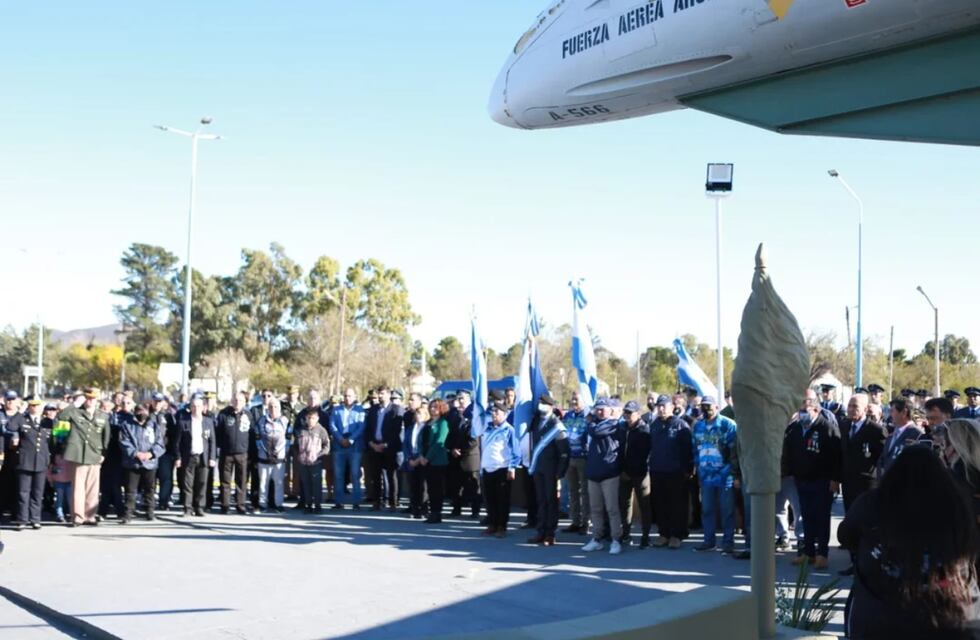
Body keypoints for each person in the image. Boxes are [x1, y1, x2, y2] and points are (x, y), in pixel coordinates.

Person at [838, 446, 980, 639]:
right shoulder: (958, 506)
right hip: (953, 617)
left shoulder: (872, 503)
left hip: (881, 618)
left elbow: (846, 536)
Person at [785, 389, 842, 570]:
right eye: (801, 406)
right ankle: (808, 552)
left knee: (821, 518)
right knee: (806, 517)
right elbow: (789, 453)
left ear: (816, 408)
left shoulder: (827, 427)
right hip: (801, 481)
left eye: (807, 405)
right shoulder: (794, 428)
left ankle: (822, 554)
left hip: (822, 481)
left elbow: (838, 456)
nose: (804, 410)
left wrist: (835, 479)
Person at [839, 392, 888, 575]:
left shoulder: (875, 430)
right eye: (850, 406)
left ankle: (867, 562)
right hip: (848, 483)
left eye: (855, 406)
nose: (851, 410)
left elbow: (882, 459)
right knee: (851, 521)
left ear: (866, 409)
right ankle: (854, 560)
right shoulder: (844, 426)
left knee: (866, 524)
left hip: (867, 484)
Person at [691, 395, 738, 553]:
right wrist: (697, 469)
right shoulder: (697, 426)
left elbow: (734, 452)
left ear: (717, 407)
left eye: (709, 406)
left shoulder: (728, 425)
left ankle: (728, 543)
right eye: (703, 406)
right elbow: (695, 450)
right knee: (707, 510)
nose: (706, 409)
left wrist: (732, 472)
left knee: (727, 511)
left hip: (725, 476)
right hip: (705, 476)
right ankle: (709, 541)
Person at [59, 388, 111, 526]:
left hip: (94, 454)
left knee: (93, 487)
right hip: (78, 454)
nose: (90, 401)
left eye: (93, 398)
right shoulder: (75, 412)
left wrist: (103, 454)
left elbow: (106, 437)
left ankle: (90, 515)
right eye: (88, 398)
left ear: (97, 400)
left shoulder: (102, 416)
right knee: (78, 487)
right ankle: (77, 516)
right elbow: (61, 417)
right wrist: (74, 404)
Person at [582, 397, 627, 555]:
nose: (600, 411)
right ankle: (596, 539)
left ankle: (616, 540)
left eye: (603, 408)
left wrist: (590, 422)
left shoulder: (615, 424)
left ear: (610, 410)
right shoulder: (593, 424)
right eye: (597, 409)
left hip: (609, 474)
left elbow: (596, 432)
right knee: (595, 509)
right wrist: (590, 422)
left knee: (612, 509)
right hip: (593, 473)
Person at [648, 394, 693, 549]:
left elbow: (688, 450)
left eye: (664, 406)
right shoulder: (654, 425)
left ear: (672, 407)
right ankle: (664, 533)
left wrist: (688, 469)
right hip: (657, 470)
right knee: (660, 504)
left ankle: (677, 534)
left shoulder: (681, 425)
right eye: (659, 406)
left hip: (676, 472)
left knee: (678, 504)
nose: (661, 409)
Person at [527, 394, 569, 546]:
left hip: (551, 469)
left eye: (543, 404)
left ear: (551, 406)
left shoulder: (556, 425)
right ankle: (541, 531)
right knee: (541, 500)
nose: (540, 406)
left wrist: (560, 473)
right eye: (539, 403)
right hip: (538, 467)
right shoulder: (537, 421)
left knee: (551, 501)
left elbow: (564, 452)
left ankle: (550, 533)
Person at [118, 404, 166, 523]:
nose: (141, 414)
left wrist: (151, 454)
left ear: (148, 412)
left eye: (144, 411)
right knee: (130, 490)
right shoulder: (127, 425)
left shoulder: (154, 426)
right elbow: (124, 442)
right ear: (134, 412)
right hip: (132, 463)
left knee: (150, 489)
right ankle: (128, 514)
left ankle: (150, 512)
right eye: (138, 411)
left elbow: (160, 443)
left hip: (150, 463)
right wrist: (136, 453)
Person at [480, 401, 521, 538]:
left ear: (504, 414)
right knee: (489, 499)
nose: (494, 415)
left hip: (502, 468)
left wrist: (512, 468)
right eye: (492, 412)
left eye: (497, 412)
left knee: (502, 500)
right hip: (487, 468)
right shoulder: (487, 429)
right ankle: (492, 524)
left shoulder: (509, 430)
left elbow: (516, 451)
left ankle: (501, 526)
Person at [10, 398, 52, 529]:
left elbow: (52, 441)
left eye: (38, 405)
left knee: (38, 493)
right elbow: (10, 426)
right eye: (32, 405)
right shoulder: (22, 419)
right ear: (29, 407)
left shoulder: (48, 422)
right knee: (23, 492)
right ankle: (22, 519)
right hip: (25, 461)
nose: (35, 408)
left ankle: (35, 519)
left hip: (41, 461)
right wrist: (20, 411)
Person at [176, 393, 217, 517]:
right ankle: (187, 508)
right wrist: (178, 457)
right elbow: (177, 442)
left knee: (202, 483)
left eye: (198, 406)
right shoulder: (183, 422)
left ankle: (199, 507)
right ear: (190, 407)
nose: (196, 408)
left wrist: (212, 457)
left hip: (203, 457)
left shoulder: (208, 422)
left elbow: (212, 441)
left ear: (203, 407)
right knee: (188, 484)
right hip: (188, 456)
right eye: (193, 406)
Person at [619, 400, 652, 548]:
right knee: (624, 504)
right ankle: (626, 533)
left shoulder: (645, 430)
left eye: (630, 413)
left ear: (638, 414)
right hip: (624, 473)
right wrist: (622, 470)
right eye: (625, 412)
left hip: (640, 473)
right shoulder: (622, 428)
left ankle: (646, 536)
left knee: (644, 505)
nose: (627, 415)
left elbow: (646, 454)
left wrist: (636, 470)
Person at [329, 388, 366, 510]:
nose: (347, 398)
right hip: (339, 446)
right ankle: (339, 502)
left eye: (350, 396)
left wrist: (350, 440)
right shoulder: (336, 410)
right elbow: (332, 426)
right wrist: (340, 439)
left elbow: (361, 427)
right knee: (338, 475)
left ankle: (356, 502)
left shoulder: (360, 410)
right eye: (345, 396)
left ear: (354, 397)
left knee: (355, 474)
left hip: (354, 446)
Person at [216, 391, 252, 514]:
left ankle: (240, 505)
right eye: (235, 400)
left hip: (242, 453)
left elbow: (251, 434)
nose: (238, 402)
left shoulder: (248, 415)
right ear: (231, 401)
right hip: (226, 453)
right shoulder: (223, 414)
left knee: (241, 481)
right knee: (225, 481)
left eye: (241, 400)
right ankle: (225, 505)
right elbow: (218, 432)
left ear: (245, 402)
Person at [446, 390, 480, 518]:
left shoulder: (474, 417)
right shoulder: (454, 417)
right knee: (456, 485)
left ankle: (475, 511)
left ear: (469, 401)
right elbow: (448, 437)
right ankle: (456, 509)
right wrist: (452, 449)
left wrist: (461, 450)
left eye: (463, 399)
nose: (460, 401)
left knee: (473, 486)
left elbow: (474, 439)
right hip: (455, 457)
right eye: (459, 399)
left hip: (470, 457)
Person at [561, 391, 590, 535]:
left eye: (576, 400)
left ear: (584, 401)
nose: (573, 402)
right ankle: (575, 521)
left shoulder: (588, 416)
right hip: (569, 457)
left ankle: (585, 522)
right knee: (572, 491)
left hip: (583, 458)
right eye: (572, 400)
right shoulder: (568, 415)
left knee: (584, 492)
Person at [877, 398, 924, 481]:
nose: (890, 415)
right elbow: (883, 460)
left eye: (892, 411)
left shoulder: (917, 434)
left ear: (904, 413)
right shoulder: (891, 435)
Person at [418, 399, 449, 524]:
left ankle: (437, 513)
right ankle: (432, 511)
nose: (432, 409)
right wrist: (421, 455)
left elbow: (439, 442)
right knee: (430, 488)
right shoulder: (428, 423)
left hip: (437, 461)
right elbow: (421, 440)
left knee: (437, 488)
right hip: (425, 459)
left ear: (441, 409)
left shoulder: (443, 423)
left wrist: (427, 458)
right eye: (431, 407)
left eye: (435, 407)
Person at [255, 398, 289, 513]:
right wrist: (265, 450)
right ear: (267, 408)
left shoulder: (285, 421)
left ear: (279, 408)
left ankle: (278, 504)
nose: (273, 409)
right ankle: (262, 504)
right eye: (271, 407)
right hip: (264, 457)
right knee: (263, 482)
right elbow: (257, 437)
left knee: (279, 483)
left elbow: (288, 439)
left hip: (279, 457)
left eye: (275, 407)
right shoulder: (261, 420)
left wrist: (280, 451)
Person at [295, 407, 330, 512]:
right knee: (306, 484)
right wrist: (298, 455)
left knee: (316, 485)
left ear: (317, 418)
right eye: (309, 418)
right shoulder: (301, 430)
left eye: (313, 418)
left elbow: (327, 446)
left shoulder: (321, 430)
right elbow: (295, 445)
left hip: (316, 462)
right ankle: (308, 505)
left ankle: (318, 505)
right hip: (303, 463)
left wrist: (319, 455)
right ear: (305, 418)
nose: (311, 420)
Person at [150, 393, 178, 511]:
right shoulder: (146, 415)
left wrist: (174, 453)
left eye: (159, 401)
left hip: (165, 452)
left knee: (166, 479)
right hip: (150, 453)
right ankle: (149, 503)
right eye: (155, 401)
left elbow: (174, 435)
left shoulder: (168, 416)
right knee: (150, 480)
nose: (157, 404)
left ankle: (164, 501)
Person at [403, 393, 429, 519]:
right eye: (416, 414)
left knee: (423, 486)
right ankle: (414, 509)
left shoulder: (426, 429)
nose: (418, 416)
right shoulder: (410, 429)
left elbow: (426, 445)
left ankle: (423, 510)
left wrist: (419, 458)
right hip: (411, 459)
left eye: (420, 414)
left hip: (422, 460)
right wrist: (409, 458)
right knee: (413, 486)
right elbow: (406, 444)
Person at [47, 403, 73, 523]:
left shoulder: (71, 422)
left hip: (68, 459)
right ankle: (59, 513)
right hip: (59, 458)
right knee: (60, 493)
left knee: (68, 493)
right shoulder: (59, 423)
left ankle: (67, 512)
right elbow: (55, 441)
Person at [0, 390, 22, 518]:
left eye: (13, 399)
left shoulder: (21, 417)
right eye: (8, 399)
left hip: (16, 454)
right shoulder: (0, 414)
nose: (10, 402)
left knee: (15, 482)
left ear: (17, 401)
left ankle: (14, 510)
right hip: (1, 452)